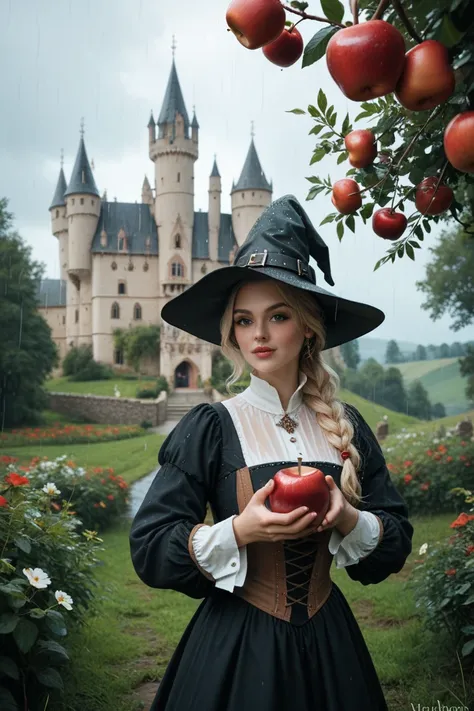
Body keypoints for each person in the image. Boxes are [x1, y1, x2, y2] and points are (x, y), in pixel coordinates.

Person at [129, 195, 414, 711]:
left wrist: (348, 517)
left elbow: (394, 542)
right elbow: (150, 547)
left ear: (306, 325)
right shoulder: (213, 427)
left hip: (331, 646)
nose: (258, 333)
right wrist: (241, 530)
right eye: (243, 320)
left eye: (277, 315)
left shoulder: (345, 425)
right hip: (235, 650)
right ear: (231, 332)